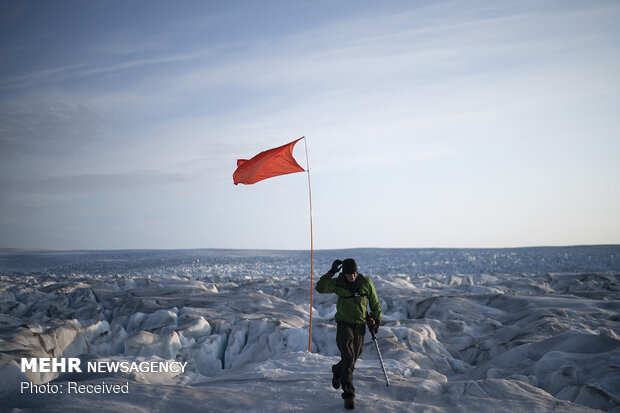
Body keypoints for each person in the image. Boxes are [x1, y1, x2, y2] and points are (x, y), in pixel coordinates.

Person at [315, 258, 382, 410]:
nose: (351, 276)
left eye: (353, 273)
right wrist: (331, 272)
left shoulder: (366, 283)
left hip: (360, 325)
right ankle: (349, 395)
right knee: (348, 357)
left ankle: (337, 370)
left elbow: (374, 302)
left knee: (353, 358)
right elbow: (320, 288)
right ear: (343, 273)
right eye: (348, 274)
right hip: (344, 324)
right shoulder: (338, 283)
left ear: (356, 271)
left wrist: (377, 320)